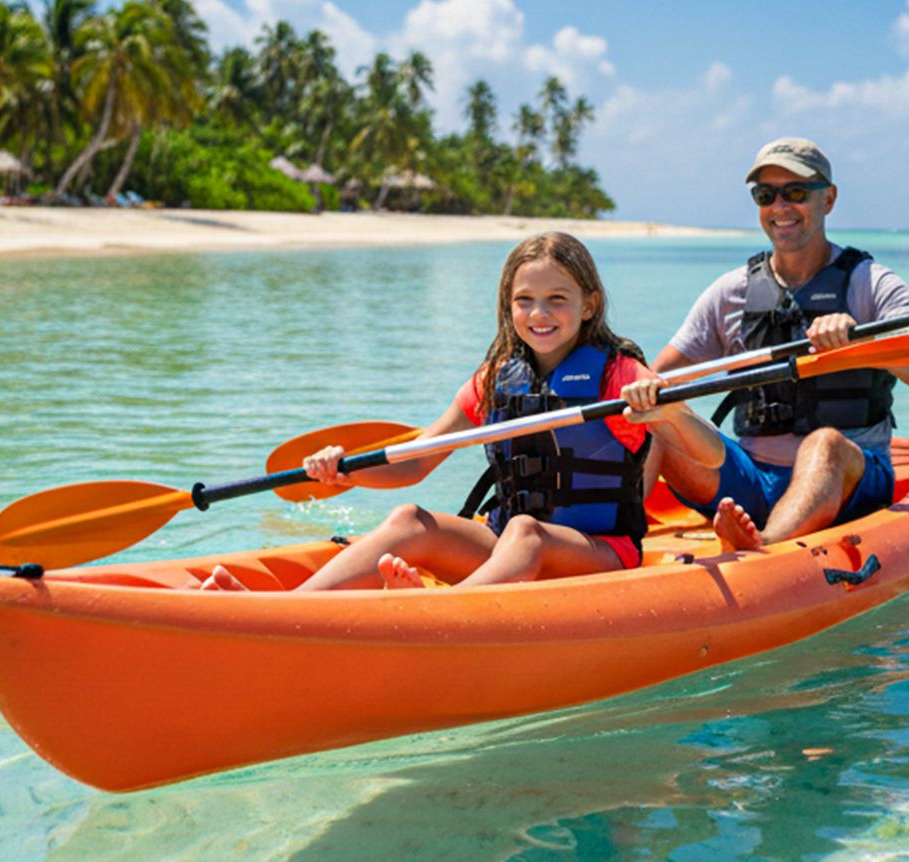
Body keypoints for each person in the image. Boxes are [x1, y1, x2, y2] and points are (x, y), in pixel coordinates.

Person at [202, 231, 724, 592]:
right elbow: (416, 460)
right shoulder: (495, 380)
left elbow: (713, 453)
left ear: (588, 305)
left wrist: (669, 413)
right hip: (506, 548)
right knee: (411, 520)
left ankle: (438, 616)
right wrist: (348, 474)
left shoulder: (620, 375)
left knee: (526, 531)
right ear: (508, 305)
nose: (539, 314)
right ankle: (295, 609)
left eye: (556, 299)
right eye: (525, 300)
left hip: (601, 552)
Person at [650, 137, 909, 552]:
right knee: (654, 415)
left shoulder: (871, 284)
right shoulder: (731, 291)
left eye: (795, 192)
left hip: (846, 482)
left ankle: (764, 547)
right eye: (766, 195)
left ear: (827, 199)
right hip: (754, 479)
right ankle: (614, 539)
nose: (780, 207)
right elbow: (655, 375)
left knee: (823, 443)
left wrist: (865, 344)